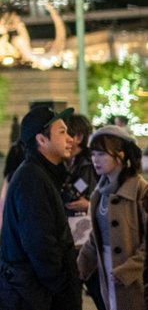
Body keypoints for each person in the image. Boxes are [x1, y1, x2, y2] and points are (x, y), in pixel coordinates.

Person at [0, 105, 81, 310]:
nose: (70, 139)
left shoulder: (41, 173)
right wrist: (61, 288)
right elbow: (40, 244)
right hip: (31, 296)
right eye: (62, 132)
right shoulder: (32, 179)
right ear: (41, 140)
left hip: (30, 291)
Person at [77, 125, 147, 310]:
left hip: (136, 277)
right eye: (93, 154)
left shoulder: (141, 191)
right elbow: (96, 236)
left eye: (101, 154)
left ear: (121, 154)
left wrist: (129, 269)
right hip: (107, 271)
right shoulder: (99, 194)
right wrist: (81, 265)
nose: (95, 160)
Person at [64, 114, 105, 310]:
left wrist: (89, 204)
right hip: (67, 238)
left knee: (99, 292)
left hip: (91, 239)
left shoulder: (94, 163)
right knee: (70, 297)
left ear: (78, 137)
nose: (65, 139)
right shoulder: (59, 162)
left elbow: (110, 199)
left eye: (66, 132)